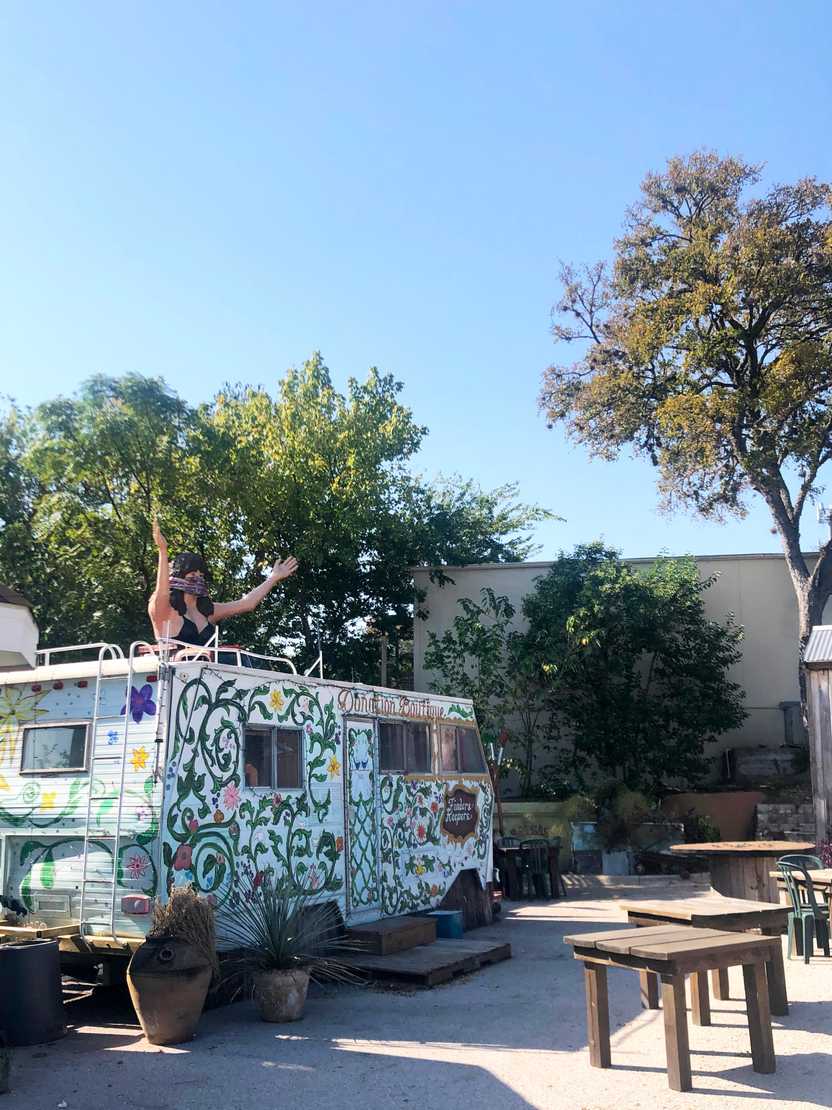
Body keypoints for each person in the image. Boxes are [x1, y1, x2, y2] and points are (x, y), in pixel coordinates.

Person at [148, 519, 298, 650]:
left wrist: (273, 578)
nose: (198, 579)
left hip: (209, 672)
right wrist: (163, 551)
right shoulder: (165, 611)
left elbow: (247, 603)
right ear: (178, 576)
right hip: (175, 671)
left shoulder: (208, 611)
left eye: (201, 576)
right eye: (192, 575)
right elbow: (162, 591)